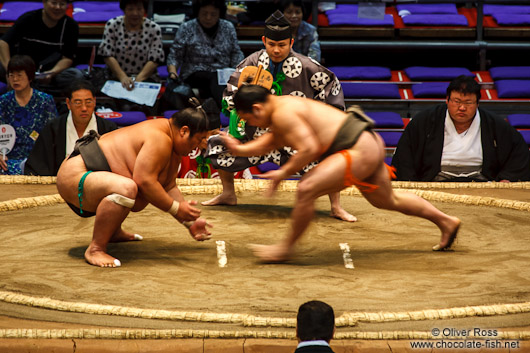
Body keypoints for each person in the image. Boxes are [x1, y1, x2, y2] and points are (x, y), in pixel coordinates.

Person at [222, 84, 461, 262]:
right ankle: (447, 221)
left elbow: (309, 148)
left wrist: (283, 173)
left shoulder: (283, 112)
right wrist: (239, 148)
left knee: (306, 188)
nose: (254, 126)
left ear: (256, 108)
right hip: (366, 143)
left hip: (356, 149)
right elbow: (272, 141)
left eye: (249, 120)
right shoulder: (282, 106)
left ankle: (285, 249)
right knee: (387, 200)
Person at [204, 10, 354, 222]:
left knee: (329, 156)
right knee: (217, 144)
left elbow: (332, 93)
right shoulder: (249, 65)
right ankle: (228, 194)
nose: (276, 50)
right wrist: (237, 121)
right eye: (271, 44)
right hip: (255, 136)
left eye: (282, 45)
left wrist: (320, 129)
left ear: (291, 42)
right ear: (264, 40)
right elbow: (230, 97)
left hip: (295, 139)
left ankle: (336, 206)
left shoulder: (310, 67)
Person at [56, 101, 213, 268]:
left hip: (93, 175)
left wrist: (189, 222)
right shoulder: (160, 138)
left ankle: (113, 232)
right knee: (127, 188)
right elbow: (144, 181)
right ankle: (95, 249)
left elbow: (168, 186)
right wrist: (176, 209)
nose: (202, 144)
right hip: (76, 176)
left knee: (127, 187)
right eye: (200, 139)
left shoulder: (172, 142)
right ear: (184, 131)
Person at [392, 75, 530, 182]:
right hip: (434, 183)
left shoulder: (494, 124)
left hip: (482, 184)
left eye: (468, 103)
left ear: (477, 103)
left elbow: (518, 153)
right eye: (457, 102)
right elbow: (405, 156)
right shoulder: (424, 121)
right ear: (447, 100)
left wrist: (506, 179)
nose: (462, 108)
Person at [25, 81, 117, 176]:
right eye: (78, 103)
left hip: (99, 184)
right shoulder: (53, 128)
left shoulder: (108, 129)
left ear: (94, 102)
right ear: (68, 103)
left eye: (88, 102)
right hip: (60, 185)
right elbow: (38, 165)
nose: (84, 108)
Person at [166, 0, 244, 110]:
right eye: (204, 13)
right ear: (197, 12)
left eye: (213, 14)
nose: (208, 18)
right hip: (194, 73)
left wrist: (239, 71)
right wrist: (173, 73)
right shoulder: (187, 27)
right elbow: (174, 55)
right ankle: (227, 109)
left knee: (221, 78)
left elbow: (236, 52)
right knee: (215, 77)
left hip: (224, 73)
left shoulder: (228, 27)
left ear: (220, 14)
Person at [0, 0, 84, 95]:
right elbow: (3, 42)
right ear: (44, 2)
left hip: (51, 74)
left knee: (77, 76)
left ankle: (35, 91)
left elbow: (68, 58)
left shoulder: (71, 26)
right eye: (54, 3)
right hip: (22, 71)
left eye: (62, 4)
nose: (57, 7)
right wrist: (10, 71)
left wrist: (52, 73)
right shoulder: (28, 18)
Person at [98, 0, 165, 113]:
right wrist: (122, 77)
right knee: (122, 106)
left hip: (146, 77)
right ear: (124, 10)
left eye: (139, 9)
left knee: (145, 107)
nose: (135, 13)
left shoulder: (154, 28)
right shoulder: (112, 25)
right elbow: (107, 54)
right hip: (116, 76)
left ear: (144, 10)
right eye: (130, 9)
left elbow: (155, 58)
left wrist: (139, 79)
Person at [0, 55, 58, 175]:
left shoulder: (45, 100)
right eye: (11, 75)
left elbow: (54, 133)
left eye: (19, 75)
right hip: (8, 158)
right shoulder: (3, 101)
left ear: (30, 76)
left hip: (38, 158)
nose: (15, 79)